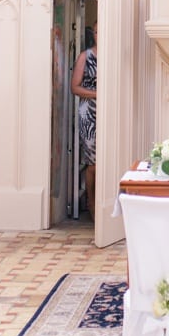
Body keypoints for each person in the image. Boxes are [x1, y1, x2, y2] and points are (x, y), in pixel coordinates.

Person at [71, 24, 98, 217]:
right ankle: (91, 202)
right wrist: (97, 94)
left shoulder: (113, 54)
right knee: (93, 161)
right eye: (96, 31)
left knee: (107, 159)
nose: (99, 35)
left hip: (109, 111)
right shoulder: (85, 56)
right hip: (89, 113)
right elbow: (75, 87)